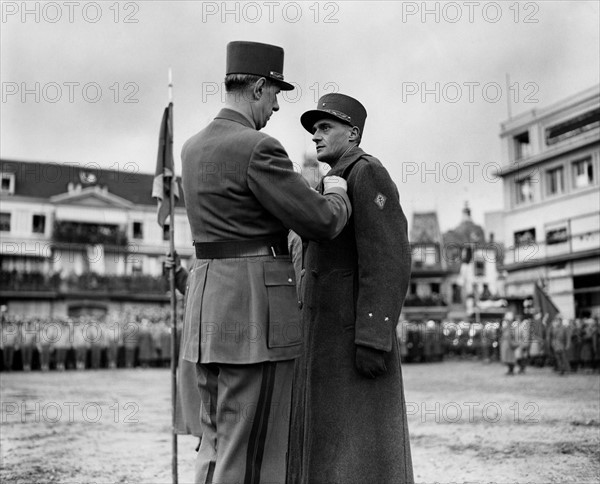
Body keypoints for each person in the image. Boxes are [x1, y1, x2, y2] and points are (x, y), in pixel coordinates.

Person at [180, 41, 351, 484]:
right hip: (254, 319)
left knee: (214, 443)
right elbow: (322, 222)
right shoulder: (258, 148)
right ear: (257, 87)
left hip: (207, 315)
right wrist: (335, 188)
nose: (276, 106)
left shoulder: (192, 148)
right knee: (254, 453)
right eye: (275, 93)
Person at [287, 93, 413, 483]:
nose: (315, 136)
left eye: (325, 127)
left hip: (353, 342)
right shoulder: (332, 181)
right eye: (313, 130)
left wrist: (374, 338)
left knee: (363, 454)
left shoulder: (366, 173)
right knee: (335, 453)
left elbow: (388, 259)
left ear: (353, 133)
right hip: (327, 341)